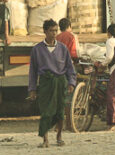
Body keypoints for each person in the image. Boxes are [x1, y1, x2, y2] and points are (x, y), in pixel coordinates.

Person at [28, 19, 77, 148]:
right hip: (46, 83)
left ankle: (59, 136)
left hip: (60, 82)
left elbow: (69, 68)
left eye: (56, 31)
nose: (54, 33)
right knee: (46, 111)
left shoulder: (63, 48)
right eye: (51, 31)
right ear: (45, 31)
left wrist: (71, 83)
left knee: (60, 111)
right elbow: (32, 71)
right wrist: (32, 89)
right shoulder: (37, 50)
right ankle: (45, 139)